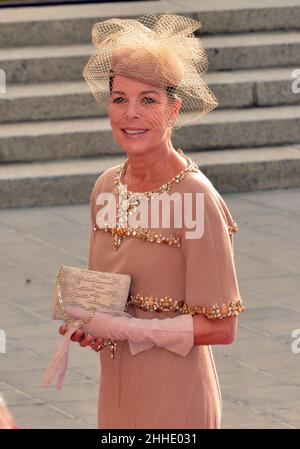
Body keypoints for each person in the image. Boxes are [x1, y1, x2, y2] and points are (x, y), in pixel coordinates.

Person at [58, 12, 246, 429]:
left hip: (177, 393)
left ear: (174, 108)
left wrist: (129, 331)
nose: (131, 114)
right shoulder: (106, 186)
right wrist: (90, 325)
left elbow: (222, 328)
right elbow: (105, 302)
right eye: (120, 98)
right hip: (118, 390)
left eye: (148, 100)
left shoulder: (196, 198)